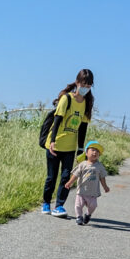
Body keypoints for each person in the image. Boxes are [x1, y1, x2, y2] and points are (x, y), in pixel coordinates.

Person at [41, 68, 94, 217]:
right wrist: (51, 141)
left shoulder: (86, 103)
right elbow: (57, 120)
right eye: (84, 85)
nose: (86, 89)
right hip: (55, 144)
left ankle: (59, 205)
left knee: (66, 177)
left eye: (89, 86)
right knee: (51, 177)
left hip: (70, 147)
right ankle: (46, 202)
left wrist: (81, 148)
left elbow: (83, 127)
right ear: (77, 83)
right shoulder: (67, 99)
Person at [64, 140, 110, 225]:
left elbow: (102, 178)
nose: (95, 152)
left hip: (92, 193)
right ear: (86, 153)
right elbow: (75, 174)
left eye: (97, 151)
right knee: (78, 206)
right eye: (92, 150)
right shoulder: (82, 164)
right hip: (81, 191)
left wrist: (105, 187)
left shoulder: (99, 166)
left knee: (93, 206)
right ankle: (79, 217)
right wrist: (70, 182)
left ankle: (88, 214)